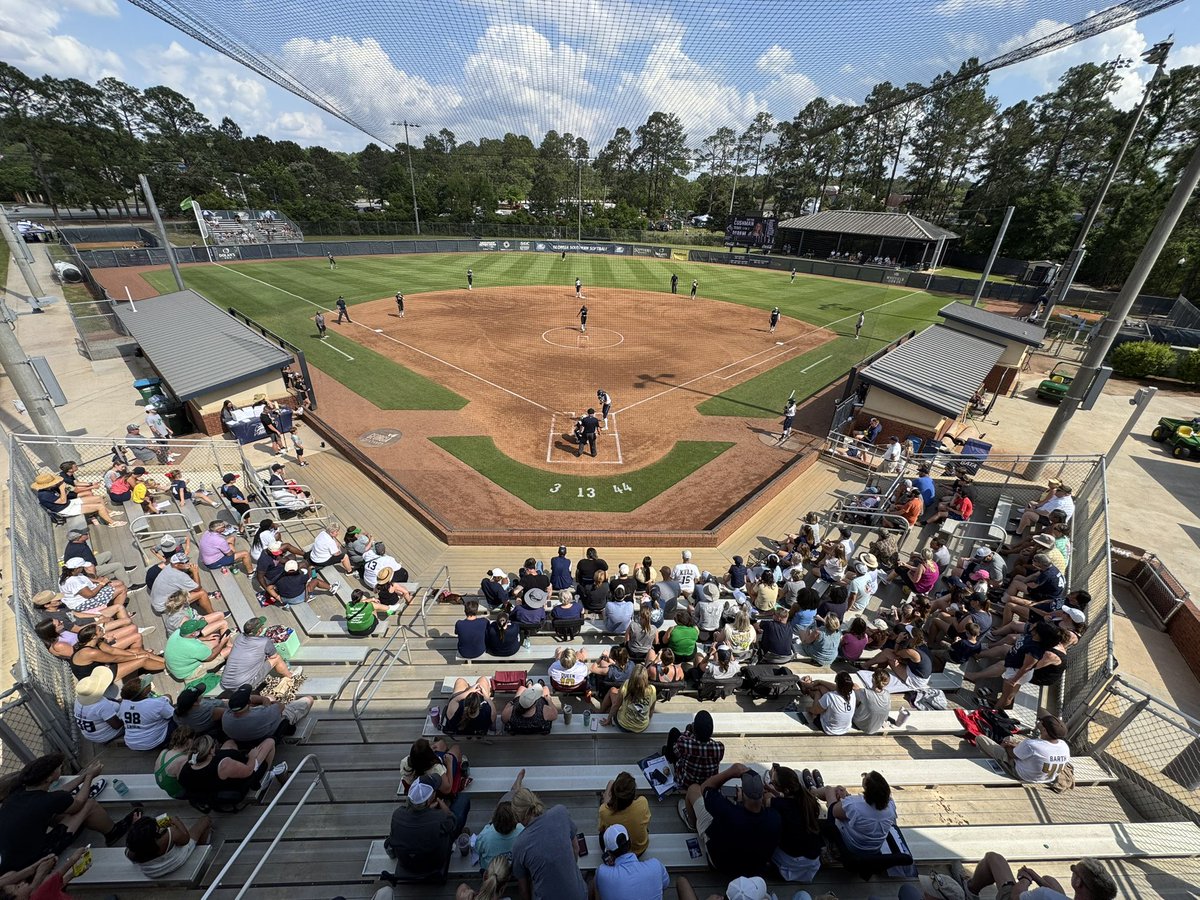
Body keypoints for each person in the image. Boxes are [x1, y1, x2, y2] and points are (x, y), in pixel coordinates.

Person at [0, 754, 135, 875]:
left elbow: (57, 794)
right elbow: (79, 802)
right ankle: (113, 832)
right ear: (49, 778)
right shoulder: (46, 800)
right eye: (58, 768)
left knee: (56, 811)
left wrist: (82, 776)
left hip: (10, 859)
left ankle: (79, 825)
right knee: (89, 805)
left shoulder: (19, 793)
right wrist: (89, 777)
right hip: (35, 860)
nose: (61, 768)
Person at [681, 764, 782, 878]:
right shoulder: (775, 818)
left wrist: (730, 772)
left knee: (693, 789)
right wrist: (741, 803)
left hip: (720, 864)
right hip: (753, 869)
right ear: (762, 795)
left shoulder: (726, 811)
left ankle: (692, 824)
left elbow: (705, 787)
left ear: (742, 794)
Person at [509, 787, 587, 900]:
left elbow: (523, 889)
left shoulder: (519, 845)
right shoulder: (561, 812)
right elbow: (576, 848)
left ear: (517, 816)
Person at [178, 733, 286, 807]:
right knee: (270, 742)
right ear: (210, 751)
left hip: (211, 792)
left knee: (230, 743)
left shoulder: (186, 769)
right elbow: (248, 771)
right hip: (238, 786)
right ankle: (265, 777)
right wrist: (252, 756)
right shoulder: (224, 764)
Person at [960, 854, 1116, 900]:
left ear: (1078, 882)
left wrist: (1025, 879)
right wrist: (1037, 877)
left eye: (1074, 870)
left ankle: (970, 890)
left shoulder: (1045, 895)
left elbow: (1016, 897)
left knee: (993, 859)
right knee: (1049, 880)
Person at [764, 765, 824, 883]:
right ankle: (814, 785)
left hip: (791, 863)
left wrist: (769, 793)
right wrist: (775, 792)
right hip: (812, 860)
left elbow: (767, 801)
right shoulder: (808, 800)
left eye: (774, 782)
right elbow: (788, 804)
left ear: (785, 790)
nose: (772, 782)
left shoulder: (777, 804)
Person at [814, 770, 897, 855]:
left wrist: (840, 797)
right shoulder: (890, 805)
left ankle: (811, 791)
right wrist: (846, 797)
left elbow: (833, 810)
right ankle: (819, 790)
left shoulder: (855, 806)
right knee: (840, 797)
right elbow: (861, 808)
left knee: (829, 790)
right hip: (874, 849)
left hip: (852, 847)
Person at [124, 809, 212, 878]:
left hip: (153, 872)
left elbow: (135, 859)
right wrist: (176, 821)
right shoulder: (169, 835)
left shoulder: (131, 851)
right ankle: (201, 847)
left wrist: (137, 827)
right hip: (176, 861)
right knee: (205, 819)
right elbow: (186, 840)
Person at [220, 616, 302, 691]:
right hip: (242, 686)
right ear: (259, 630)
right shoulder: (264, 641)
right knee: (277, 659)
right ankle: (291, 676)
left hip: (225, 683)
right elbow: (274, 656)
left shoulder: (239, 637)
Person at [221, 683, 315, 745]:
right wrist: (265, 703)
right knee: (308, 699)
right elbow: (280, 706)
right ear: (249, 702)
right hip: (276, 724)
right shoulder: (263, 714)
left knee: (270, 697)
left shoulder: (226, 717)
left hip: (247, 739)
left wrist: (264, 700)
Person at [594, 824, 668, 899]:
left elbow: (598, 887)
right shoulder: (655, 866)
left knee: (592, 884)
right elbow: (665, 884)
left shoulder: (602, 872)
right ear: (630, 841)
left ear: (609, 853)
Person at [70, 623, 164, 681]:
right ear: (94, 636)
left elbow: (112, 650)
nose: (102, 629)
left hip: (102, 667)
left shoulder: (95, 641)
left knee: (139, 651)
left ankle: (165, 661)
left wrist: (135, 654)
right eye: (100, 630)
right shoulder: (89, 652)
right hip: (99, 678)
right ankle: (170, 667)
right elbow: (115, 658)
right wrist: (137, 657)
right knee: (143, 660)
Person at [31, 470, 122, 526]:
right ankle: (112, 523)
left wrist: (65, 487)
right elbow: (62, 501)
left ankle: (109, 513)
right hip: (64, 509)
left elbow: (73, 489)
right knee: (99, 506)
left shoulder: (51, 488)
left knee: (98, 498)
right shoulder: (44, 494)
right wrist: (62, 489)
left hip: (69, 503)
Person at [597, 772, 651, 857]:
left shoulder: (604, 811)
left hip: (616, 854)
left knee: (602, 833)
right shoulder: (643, 803)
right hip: (639, 850)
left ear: (613, 794)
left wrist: (605, 801)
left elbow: (601, 829)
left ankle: (603, 797)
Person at [668, 710, 724, 789]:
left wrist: (687, 731)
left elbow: (676, 751)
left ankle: (667, 757)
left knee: (674, 732)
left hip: (685, 783)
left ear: (694, 731)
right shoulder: (719, 748)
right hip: (707, 785)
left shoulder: (684, 744)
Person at [164, 619, 232, 682]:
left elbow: (189, 641)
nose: (200, 629)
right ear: (193, 634)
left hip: (176, 664)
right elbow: (210, 657)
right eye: (198, 629)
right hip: (187, 673)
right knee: (229, 650)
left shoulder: (178, 632)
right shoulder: (194, 647)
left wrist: (204, 638)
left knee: (215, 639)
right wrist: (222, 643)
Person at [118, 677, 176, 751]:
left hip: (132, 744)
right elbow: (174, 715)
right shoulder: (157, 703)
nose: (149, 684)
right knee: (176, 719)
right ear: (144, 692)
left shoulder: (123, 704)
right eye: (146, 686)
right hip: (153, 743)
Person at [150, 552, 215, 616]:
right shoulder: (179, 576)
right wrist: (195, 572)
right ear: (175, 564)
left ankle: (198, 601)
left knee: (190, 581)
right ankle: (213, 614)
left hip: (157, 601)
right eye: (184, 562)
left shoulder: (169, 567)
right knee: (202, 593)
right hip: (164, 607)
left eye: (188, 561)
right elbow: (198, 588)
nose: (188, 563)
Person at [600, 663, 656, 732]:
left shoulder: (627, 684)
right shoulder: (652, 690)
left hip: (623, 726)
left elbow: (616, 705)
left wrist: (609, 719)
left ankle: (600, 712)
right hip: (641, 727)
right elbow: (652, 709)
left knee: (612, 691)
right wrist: (647, 722)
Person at [72, 668, 123, 744]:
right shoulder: (101, 705)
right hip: (105, 736)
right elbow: (117, 725)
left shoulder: (78, 700)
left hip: (89, 735)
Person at [799, 671, 857, 735]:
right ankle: (808, 688)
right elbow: (834, 687)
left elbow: (814, 711)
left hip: (829, 729)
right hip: (845, 728)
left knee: (818, 693)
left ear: (837, 683)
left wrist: (808, 708)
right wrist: (820, 681)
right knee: (821, 688)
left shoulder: (830, 696)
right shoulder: (852, 693)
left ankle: (807, 688)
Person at [474, 800, 522, 873]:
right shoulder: (522, 831)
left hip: (490, 873)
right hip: (514, 872)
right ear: (516, 820)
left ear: (494, 819)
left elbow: (477, 849)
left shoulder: (485, 835)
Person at [853, 669, 893, 735]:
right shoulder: (887, 694)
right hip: (877, 726)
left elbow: (855, 695)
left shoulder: (865, 693)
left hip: (860, 724)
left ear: (873, 679)